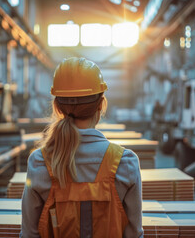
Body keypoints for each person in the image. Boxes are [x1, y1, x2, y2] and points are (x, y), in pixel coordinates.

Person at [20, 57, 143, 238]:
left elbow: (29, 234)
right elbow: (134, 234)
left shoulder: (39, 163)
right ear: (101, 105)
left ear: (57, 107)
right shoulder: (126, 163)